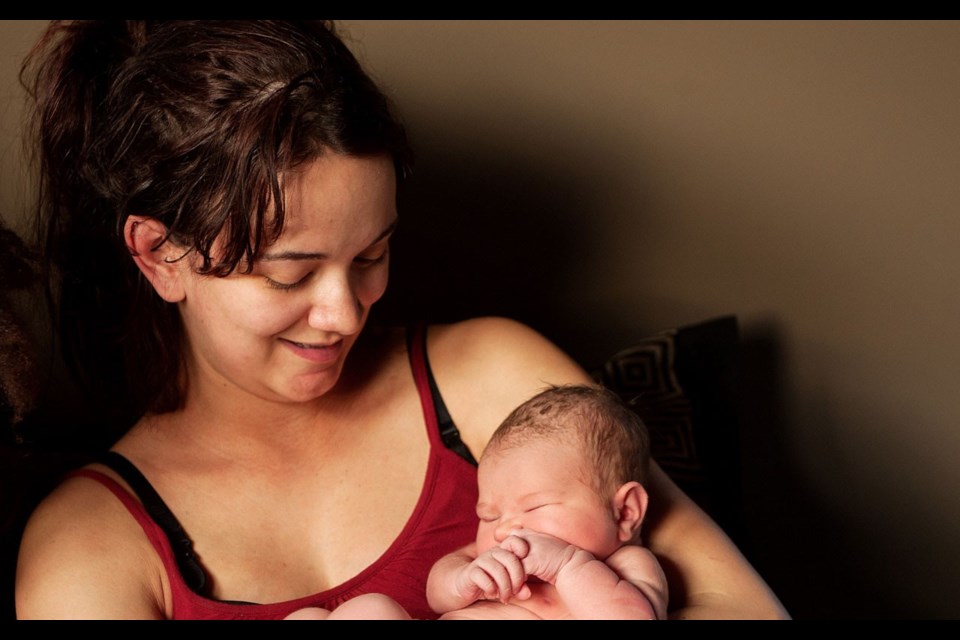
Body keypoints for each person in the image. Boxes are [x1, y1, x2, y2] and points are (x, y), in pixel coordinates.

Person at [12, 20, 789, 620]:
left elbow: (747, 608)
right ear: (159, 255)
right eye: (292, 270)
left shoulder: (490, 377)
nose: (344, 312)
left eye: (372, 256)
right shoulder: (91, 545)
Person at [427, 384, 668, 620]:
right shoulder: (485, 558)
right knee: (387, 608)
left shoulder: (630, 565)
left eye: (535, 507)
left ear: (625, 512)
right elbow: (436, 597)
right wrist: (461, 581)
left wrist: (567, 566)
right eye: (490, 515)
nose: (503, 530)